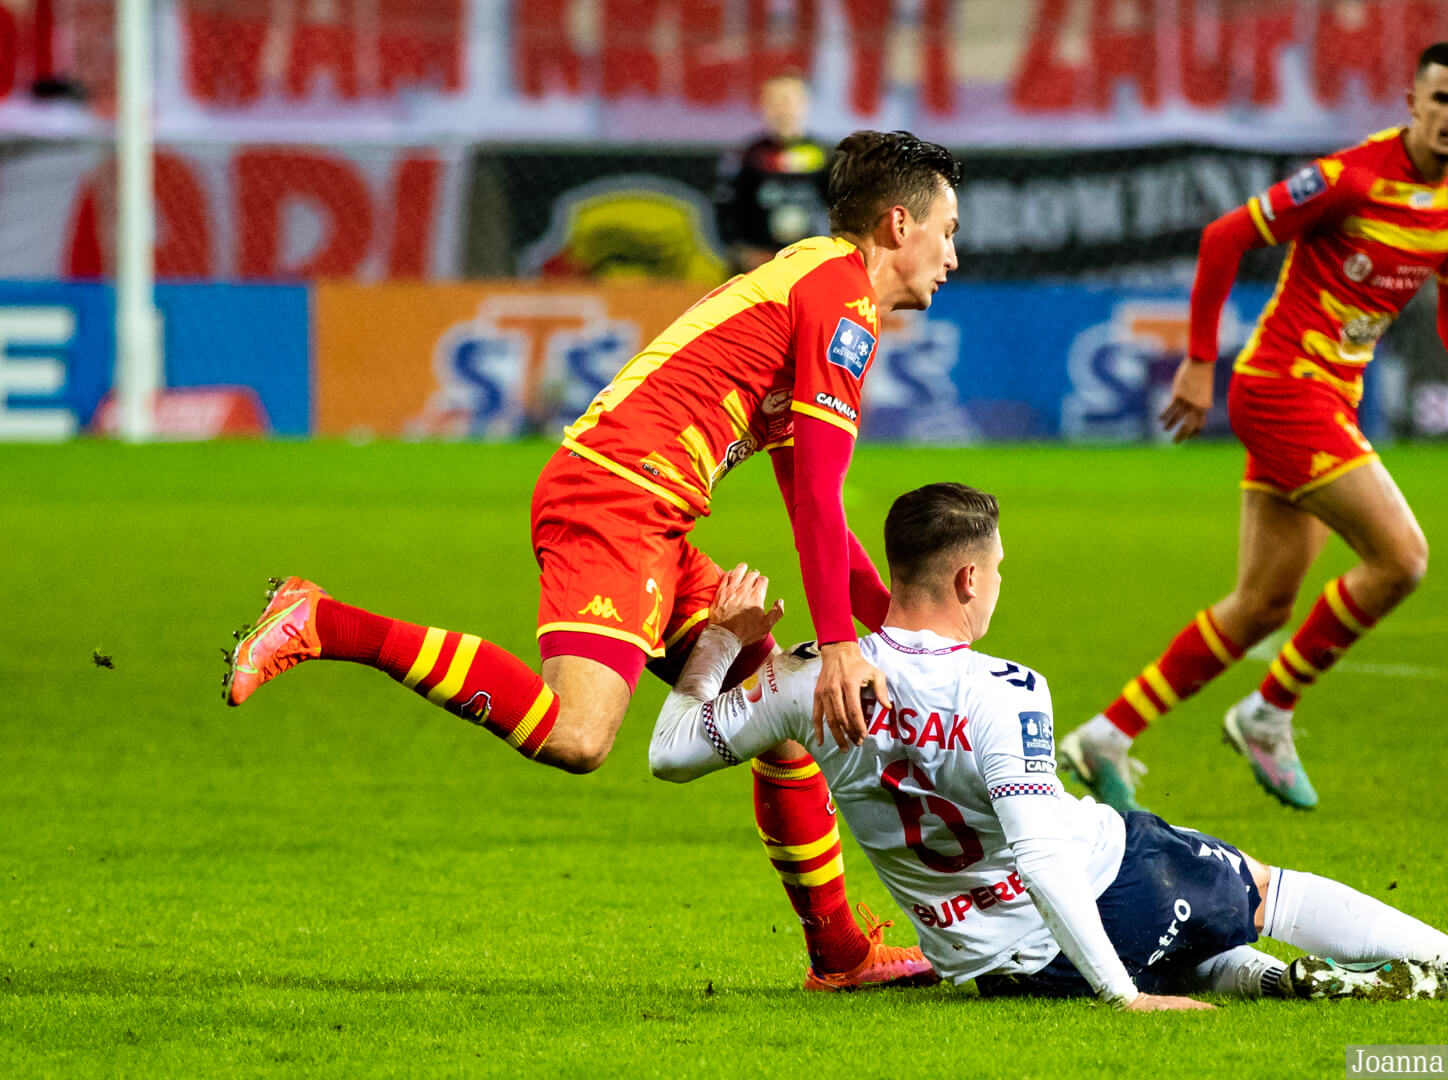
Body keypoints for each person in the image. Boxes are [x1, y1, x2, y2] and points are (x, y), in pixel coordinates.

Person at [221, 130, 962, 992]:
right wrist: (840, 646)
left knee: (778, 712)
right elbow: (823, 500)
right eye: (947, 231)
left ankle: (839, 954)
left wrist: (900, 630)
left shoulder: (816, 282)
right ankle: (322, 620)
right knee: (577, 736)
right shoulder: (839, 299)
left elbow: (808, 500)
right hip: (617, 501)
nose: (953, 255)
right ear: (899, 224)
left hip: (652, 515)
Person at [649, 483, 1448, 1008]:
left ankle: (1278, 982)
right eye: (998, 570)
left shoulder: (808, 681)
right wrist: (1121, 999)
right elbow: (1041, 856)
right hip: (1107, 892)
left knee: (1195, 951)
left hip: (995, 969)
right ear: (968, 578)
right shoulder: (1003, 690)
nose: (1000, 585)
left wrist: (722, 642)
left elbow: (672, 753)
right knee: (1267, 888)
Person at [1057, 40, 1448, 814]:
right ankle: (1268, 713)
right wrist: (1198, 362)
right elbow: (1224, 237)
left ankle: (1106, 736)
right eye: (1442, 99)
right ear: (1412, 104)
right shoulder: (1349, 179)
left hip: (1331, 397)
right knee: (1402, 559)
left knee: (1261, 605)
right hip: (1284, 390)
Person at [716, 74, 835, 273]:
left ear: (804, 104)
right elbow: (726, 213)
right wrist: (743, 253)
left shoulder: (826, 155)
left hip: (811, 266)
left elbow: (845, 211)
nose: (783, 110)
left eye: (789, 101)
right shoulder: (745, 156)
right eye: (775, 102)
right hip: (759, 267)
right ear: (763, 106)